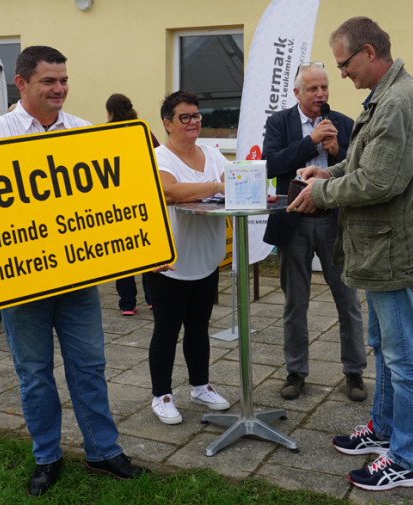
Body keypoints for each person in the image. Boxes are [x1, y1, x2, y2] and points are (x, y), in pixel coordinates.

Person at [0, 46, 151, 497]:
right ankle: (46, 457)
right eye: (49, 81)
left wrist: (143, 242)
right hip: (18, 281)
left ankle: (104, 451)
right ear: (22, 84)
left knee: (90, 366)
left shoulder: (84, 133)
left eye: (64, 79)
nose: (60, 89)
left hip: (77, 279)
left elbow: (109, 204)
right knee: (34, 373)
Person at [288, 17, 413, 491]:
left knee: (406, 360)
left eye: (343, 64)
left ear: (368, 51)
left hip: (398, 250)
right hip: (386, 248)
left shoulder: (398, 101)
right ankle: (383, 429)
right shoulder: (387, 95)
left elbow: (381, 181)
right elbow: (366, 159)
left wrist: (322, 196)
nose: (341, 75)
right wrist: (328, 173)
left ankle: (407, 459)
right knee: (385, 350)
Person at [262, 62, 367, 402]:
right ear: (297, 93)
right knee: (296, 302)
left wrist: (338, 152)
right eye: (313, 89)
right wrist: (311, 142)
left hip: (335, 220)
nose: (321, 94)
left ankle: (354, 373)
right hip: (294, 221)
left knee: (347, 299)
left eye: (324, 88)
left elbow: (363, 167)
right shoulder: (279, 122)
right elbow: (270, 165)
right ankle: (296, 371)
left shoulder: (345, 124)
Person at [145, 91, 231, 425]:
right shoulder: (159, 156)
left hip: (206, 260)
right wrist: (215, 186)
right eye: (185, 117)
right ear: (167, 123)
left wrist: (214, 185)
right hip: (169, 263)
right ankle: (161, 395)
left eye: (196, 116)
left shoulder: (211, 153)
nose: (193, 121)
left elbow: (233, 180)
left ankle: (200, 386)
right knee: (166, 331)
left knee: (199, 328)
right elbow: (168, 191)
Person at [105, 93, 155, 316]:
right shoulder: (143, 130)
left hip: (117, 201)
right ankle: (152, 299)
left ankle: (127, 303)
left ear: (111, 113)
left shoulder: (105, 134)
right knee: (147, 251)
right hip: (142, 198)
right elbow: (158, 157)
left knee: (122, 253)